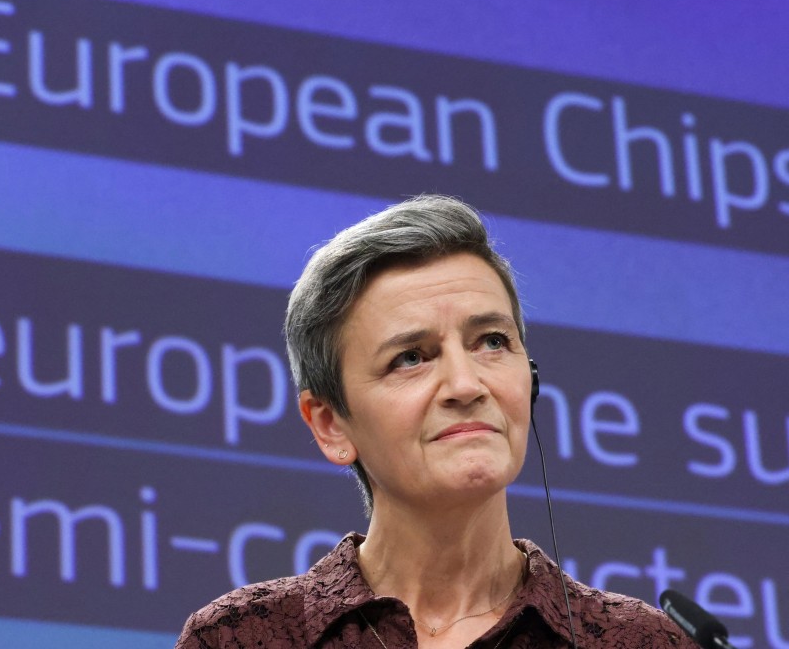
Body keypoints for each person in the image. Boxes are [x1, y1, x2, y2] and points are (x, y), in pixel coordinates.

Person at [175, 195, 697, 649]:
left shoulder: (641, 640)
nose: (467, 386)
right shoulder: (238, 637)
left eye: (492, 342)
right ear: (331, 424)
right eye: (411, 357)